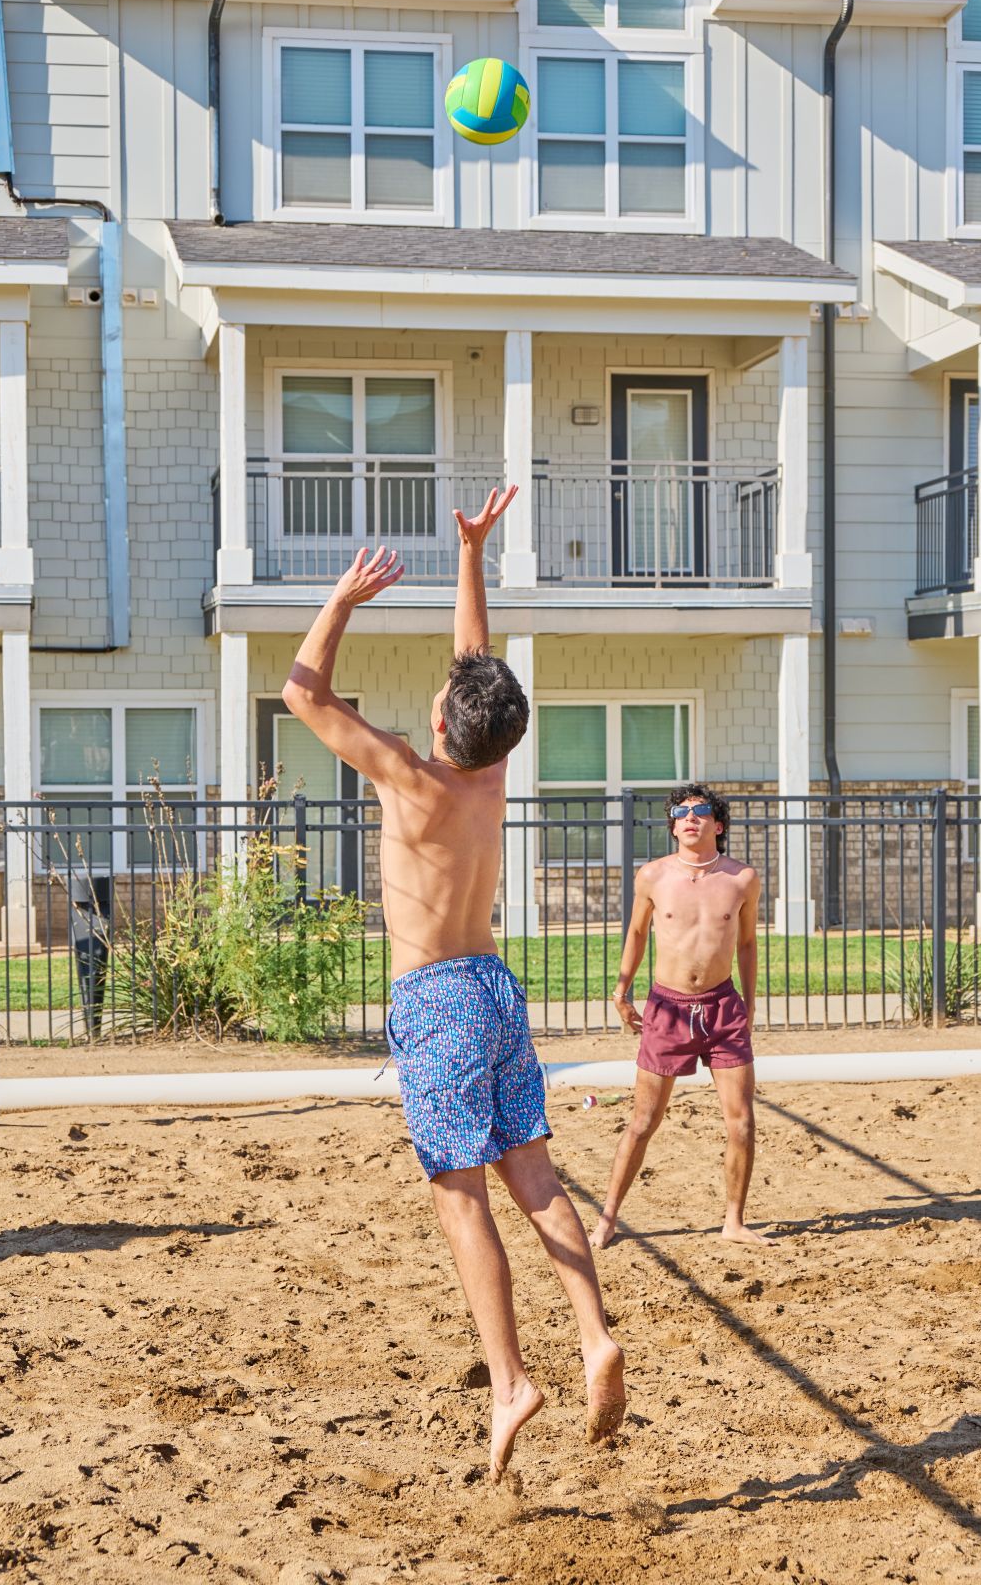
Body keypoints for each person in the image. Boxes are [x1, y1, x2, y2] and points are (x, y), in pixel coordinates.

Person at [283, 485, 625, 1484]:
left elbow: (303, 692)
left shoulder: (410, 773)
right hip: (495, 985)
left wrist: (343, 598)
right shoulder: (490, 773)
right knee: (534, 1175)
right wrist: (470, 553)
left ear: (442, 722)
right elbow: (473, 671)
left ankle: (513, 1377)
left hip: (434, 1001)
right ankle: (594, 1332)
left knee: (458, 1196)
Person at [590, 784, 769, 1251]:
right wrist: (622, 990)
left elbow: (747, 945)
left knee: (742, 1121)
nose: (690, 818)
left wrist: (749, 1005)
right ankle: (607, 1219)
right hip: (667, 1008)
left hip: (722, 1007)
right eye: (680, 812)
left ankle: (733, 1220)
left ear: (719, 824)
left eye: (700, 811)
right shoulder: (652, 876)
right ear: (672, 826)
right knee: (644, 1121)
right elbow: (636, 932)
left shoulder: (742, 879)